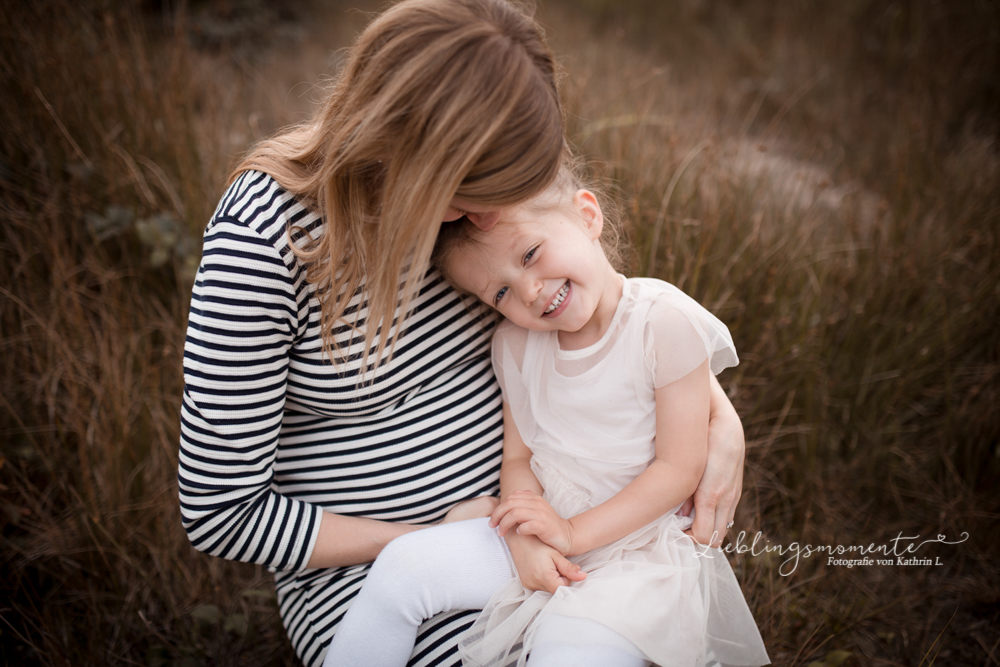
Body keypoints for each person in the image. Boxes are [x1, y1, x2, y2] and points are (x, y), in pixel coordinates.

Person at [178, 1, 748, 666]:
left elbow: (605, 316)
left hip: (557, 524)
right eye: (476, 191)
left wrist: (718, 415)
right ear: (422, 154)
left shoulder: (481, 206)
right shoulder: (265, 241)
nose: (491, 212)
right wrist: (421, 533)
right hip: (386, 567)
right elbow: (221, 510)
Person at [323, 166, 769, 667]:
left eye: (531, 255)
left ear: (587, 215)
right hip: (548, 528)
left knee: (568, 651)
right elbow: (519, 457)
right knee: (402, 569)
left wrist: (572, 534)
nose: (530, 291)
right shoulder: (514, 345)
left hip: (636, 552)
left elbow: (679, 469)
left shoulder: (663, 322)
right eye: (500, 293)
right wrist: (525, 532)